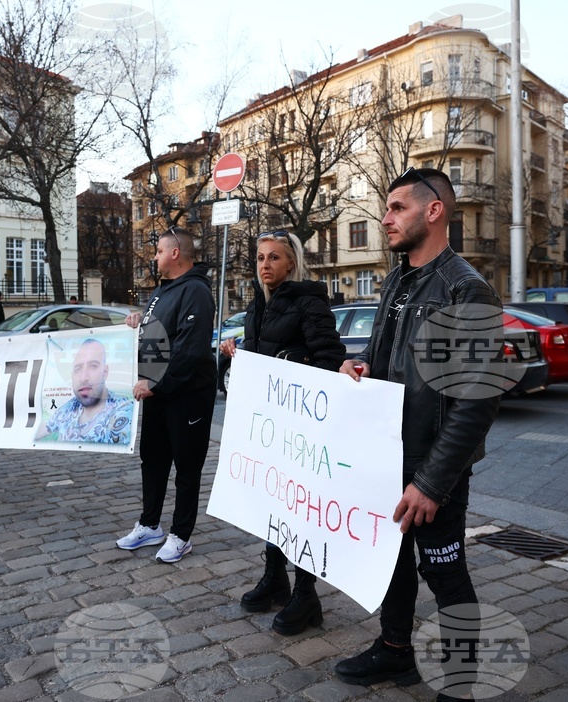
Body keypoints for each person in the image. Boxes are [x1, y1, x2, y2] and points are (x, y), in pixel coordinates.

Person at [334, 168, 502, 701]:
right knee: (392, 562)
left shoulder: (467, 290)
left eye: (397, 207)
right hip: (388, 456)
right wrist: (359, 365)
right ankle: (395, 650)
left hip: (432, 469)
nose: (384, 218)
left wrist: (431, 483)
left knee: (446, 574)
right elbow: (387, 357)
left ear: (434, 212)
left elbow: (477, 401)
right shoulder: (399, 280)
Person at [219, 230, 345, 635]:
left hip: (301, 431)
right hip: (269, 427)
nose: (265, 265)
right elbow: (263, 359)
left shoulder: (309, 301)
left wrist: (294, 364)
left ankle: (306, 595)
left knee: (300, 510)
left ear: (292, 263)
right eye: (259, 258)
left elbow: (330, 361)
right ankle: (275, 577)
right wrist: (240, 354)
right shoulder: (260, 304)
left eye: (274, 257)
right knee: (272, 503)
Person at [117, 227, 216, 563]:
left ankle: (181, 535)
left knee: (187, 467)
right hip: (157, 393)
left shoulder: (196, 292)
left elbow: (190, 351)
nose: (154, 257)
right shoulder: (163, 291)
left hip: (186, 394)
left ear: (175, 253)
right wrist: (138, 321)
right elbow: (158, 333)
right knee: (154, 461)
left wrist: (156, 383)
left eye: (159, 251)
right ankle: (150, 525)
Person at [37, 338, 134, 444]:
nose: (83, 378)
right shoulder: (70, 407)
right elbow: (42, 428)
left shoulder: (123, 411)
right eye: (77, 369)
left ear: (105, 372)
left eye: (93, 366)